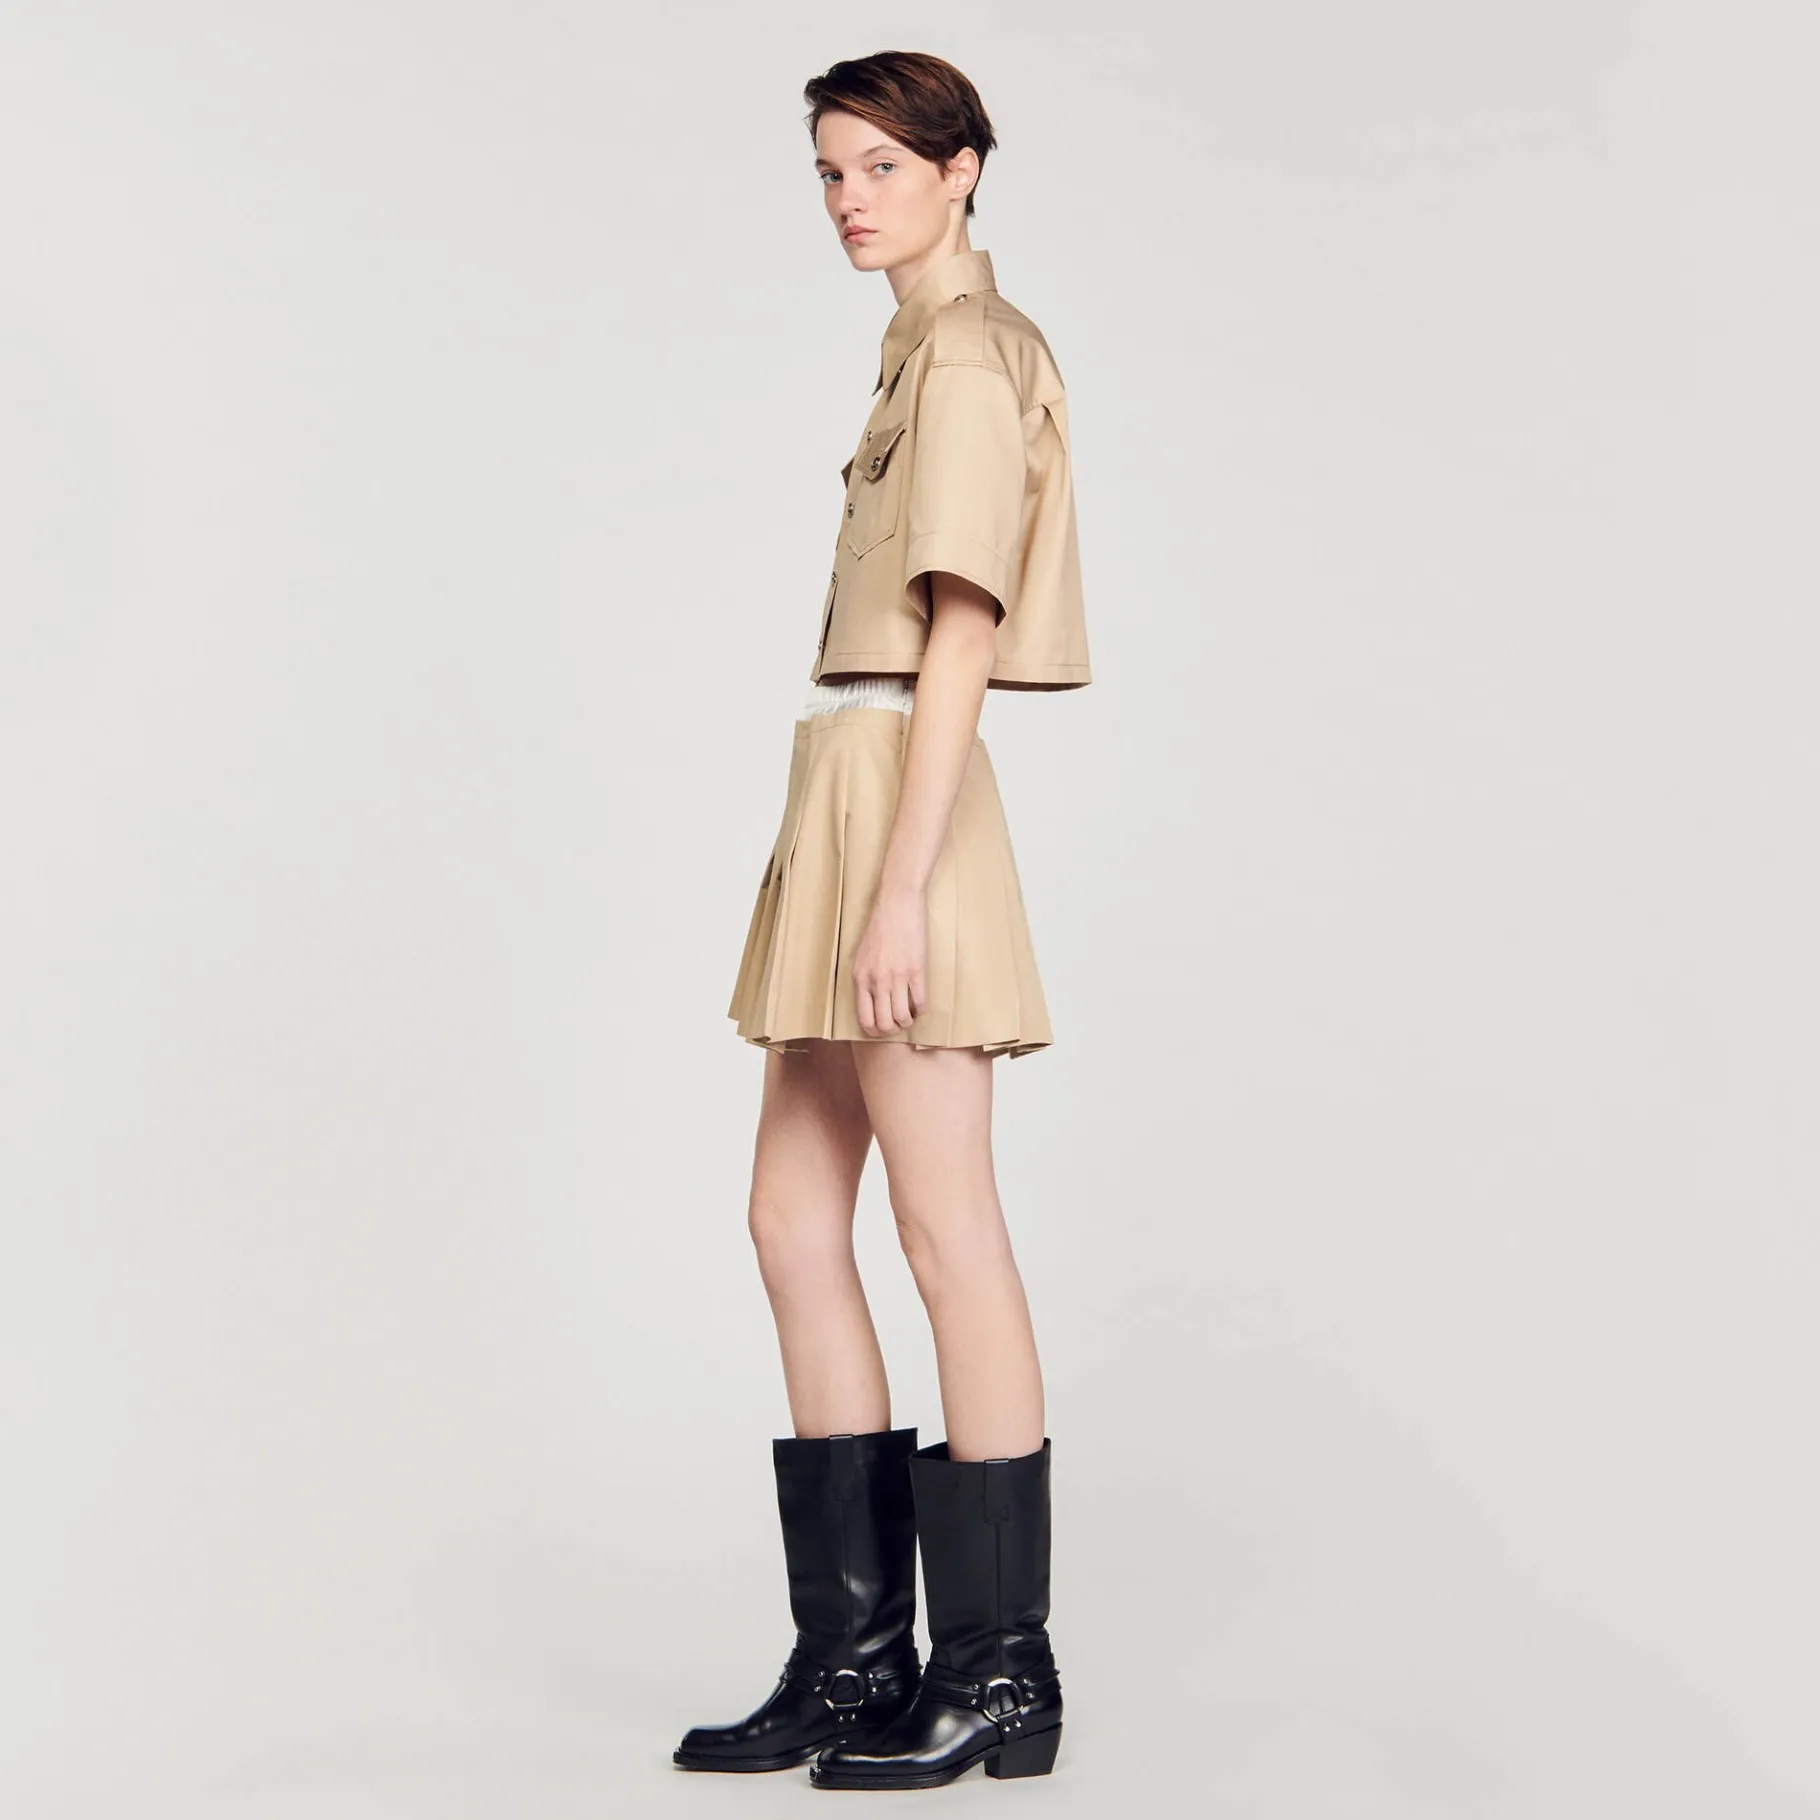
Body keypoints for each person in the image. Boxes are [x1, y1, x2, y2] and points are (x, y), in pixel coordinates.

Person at [674, 49, 1091, 1792]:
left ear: (963, 169)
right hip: (843, 779)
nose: (850, 198)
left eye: (883, 167)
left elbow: (962, 634)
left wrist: (902, 883)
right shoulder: (914, 350)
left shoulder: (974, 356)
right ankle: (854, 1661)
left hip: (902, 799)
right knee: (791, 1219)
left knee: (943, 1228)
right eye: (830, 172)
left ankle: (1000, 1671)